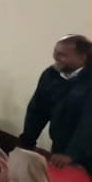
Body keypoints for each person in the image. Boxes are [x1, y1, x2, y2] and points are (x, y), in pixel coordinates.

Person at [20, 34, 92, 168]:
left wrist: (72, 154)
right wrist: (28, 140)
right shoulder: (50, 75)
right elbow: (37, 110)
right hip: (60, 147)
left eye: (62, 55)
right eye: (55, 52)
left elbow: (88, 122)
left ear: (82, 58)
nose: (56, 58)